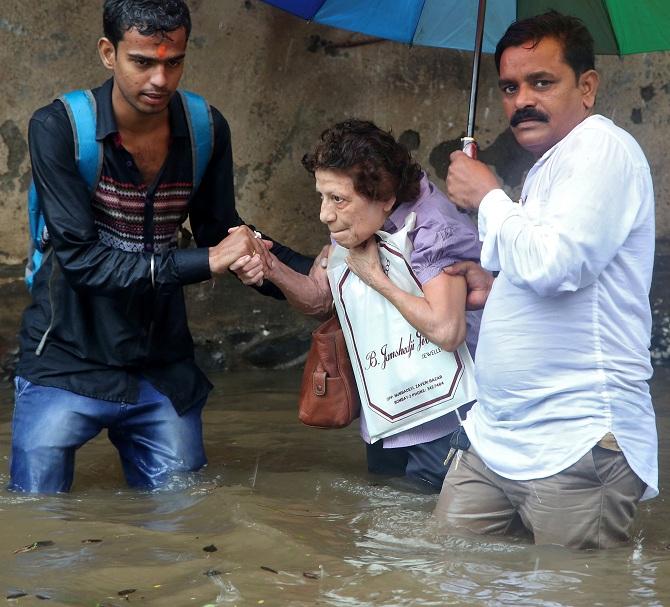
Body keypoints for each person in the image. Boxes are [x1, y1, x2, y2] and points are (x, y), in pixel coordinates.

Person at [10, 0, 312, 493]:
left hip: (160, 364)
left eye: (173, 62)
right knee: (40, 519)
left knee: (185, 528)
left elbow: (221, 230)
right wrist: (209, 260)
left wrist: (309, 273)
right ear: (109, 53)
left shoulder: (204, 128)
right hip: (65, 356)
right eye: (143, 61)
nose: (159, 80)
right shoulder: (59, 128)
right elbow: (84, 262)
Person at [435, 11, 657, 548]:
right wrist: (496, 285)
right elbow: (544, 268)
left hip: (576, 439)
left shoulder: (603, 149)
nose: (521, 101)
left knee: (574, 594)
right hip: (497, 439)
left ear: (586, 87)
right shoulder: (549, 167)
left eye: (541, 82)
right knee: (448, 576)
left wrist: (488, 195)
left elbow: (559, 265)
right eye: (510, 87)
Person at [232, 119, 482, 492]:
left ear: (384, 195)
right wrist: (272, 269)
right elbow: (320, 298)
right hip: (387, 414)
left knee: (431, 537)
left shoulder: (433, 228)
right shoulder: (359, 220)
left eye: (337, 199)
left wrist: (376, 278)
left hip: (445, 418)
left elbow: (448, 331)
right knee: (381, 530)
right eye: (323, 196)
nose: (324, 214)